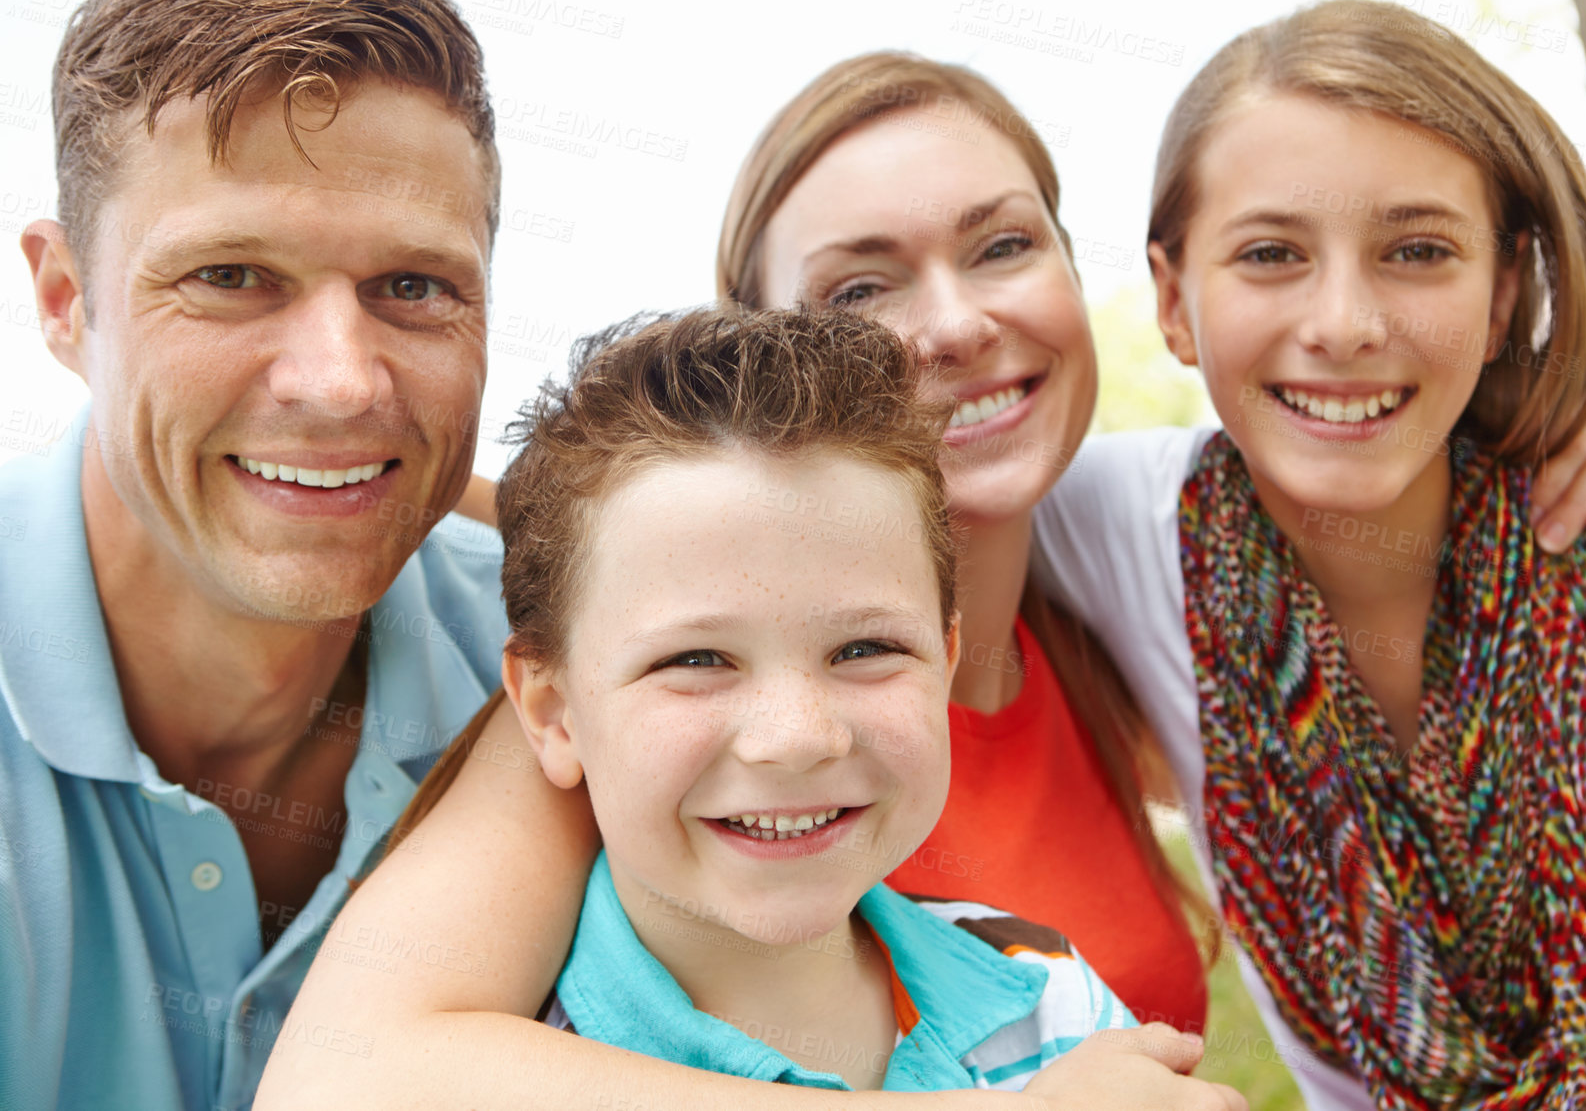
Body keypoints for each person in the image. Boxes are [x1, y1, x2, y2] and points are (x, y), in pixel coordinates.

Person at [272, 43, 1586, 1108]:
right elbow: (354, 1073)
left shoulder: (1127, 562)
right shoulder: (680, 719)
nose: (955, 323)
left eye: (1002, 245)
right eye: (860, 288)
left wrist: (1554, 421)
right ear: (772, 365)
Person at [1029, 0, 1586, 1111]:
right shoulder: (1106, 526)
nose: (1344, 321)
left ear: (1502, 293)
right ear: (1172, 300)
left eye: (1416, 250)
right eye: (1268, 254)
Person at [0, 0, 525, 1109]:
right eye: (230, 275)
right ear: (63, 299)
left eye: (414, 286)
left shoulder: (564, 669)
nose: (338, 383)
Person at [430, 307, 1144, 1092]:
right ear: (551, 711)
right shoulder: (470, 1076)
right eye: (696, 659)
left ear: (945, 660)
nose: (799, 737)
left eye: (866, 649)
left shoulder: (1051, 1000)